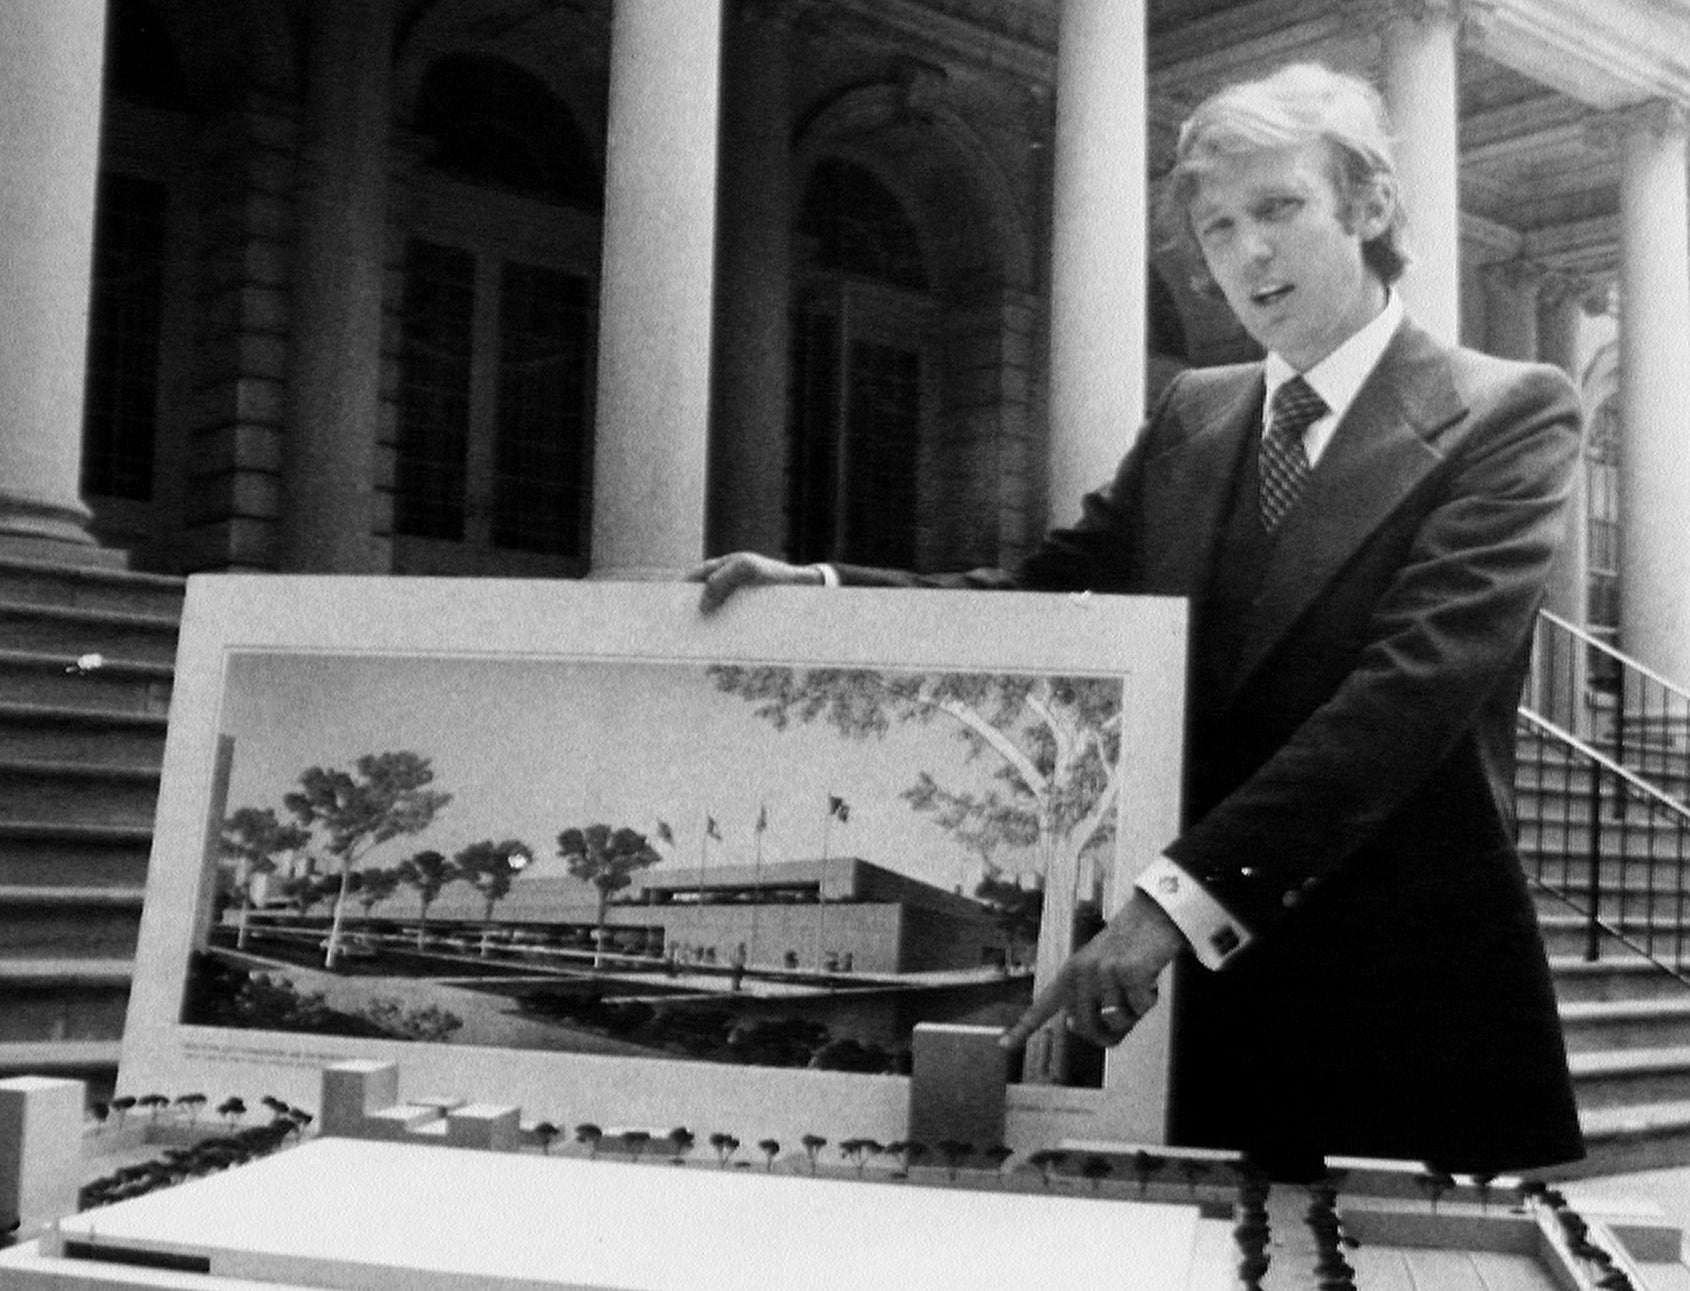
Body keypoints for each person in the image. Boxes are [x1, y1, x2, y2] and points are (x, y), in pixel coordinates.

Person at [693, 62, 1584, 1185]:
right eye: (1217, 229)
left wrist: (1170, 905)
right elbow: (1046, 596)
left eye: (1278, 208)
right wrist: (823, 594)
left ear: (1368, 206)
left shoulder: (1509, 410)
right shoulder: (1193, 411)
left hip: (1401, 1003)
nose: (1246, 254)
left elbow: (1410, 693)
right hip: (1202, 1023)